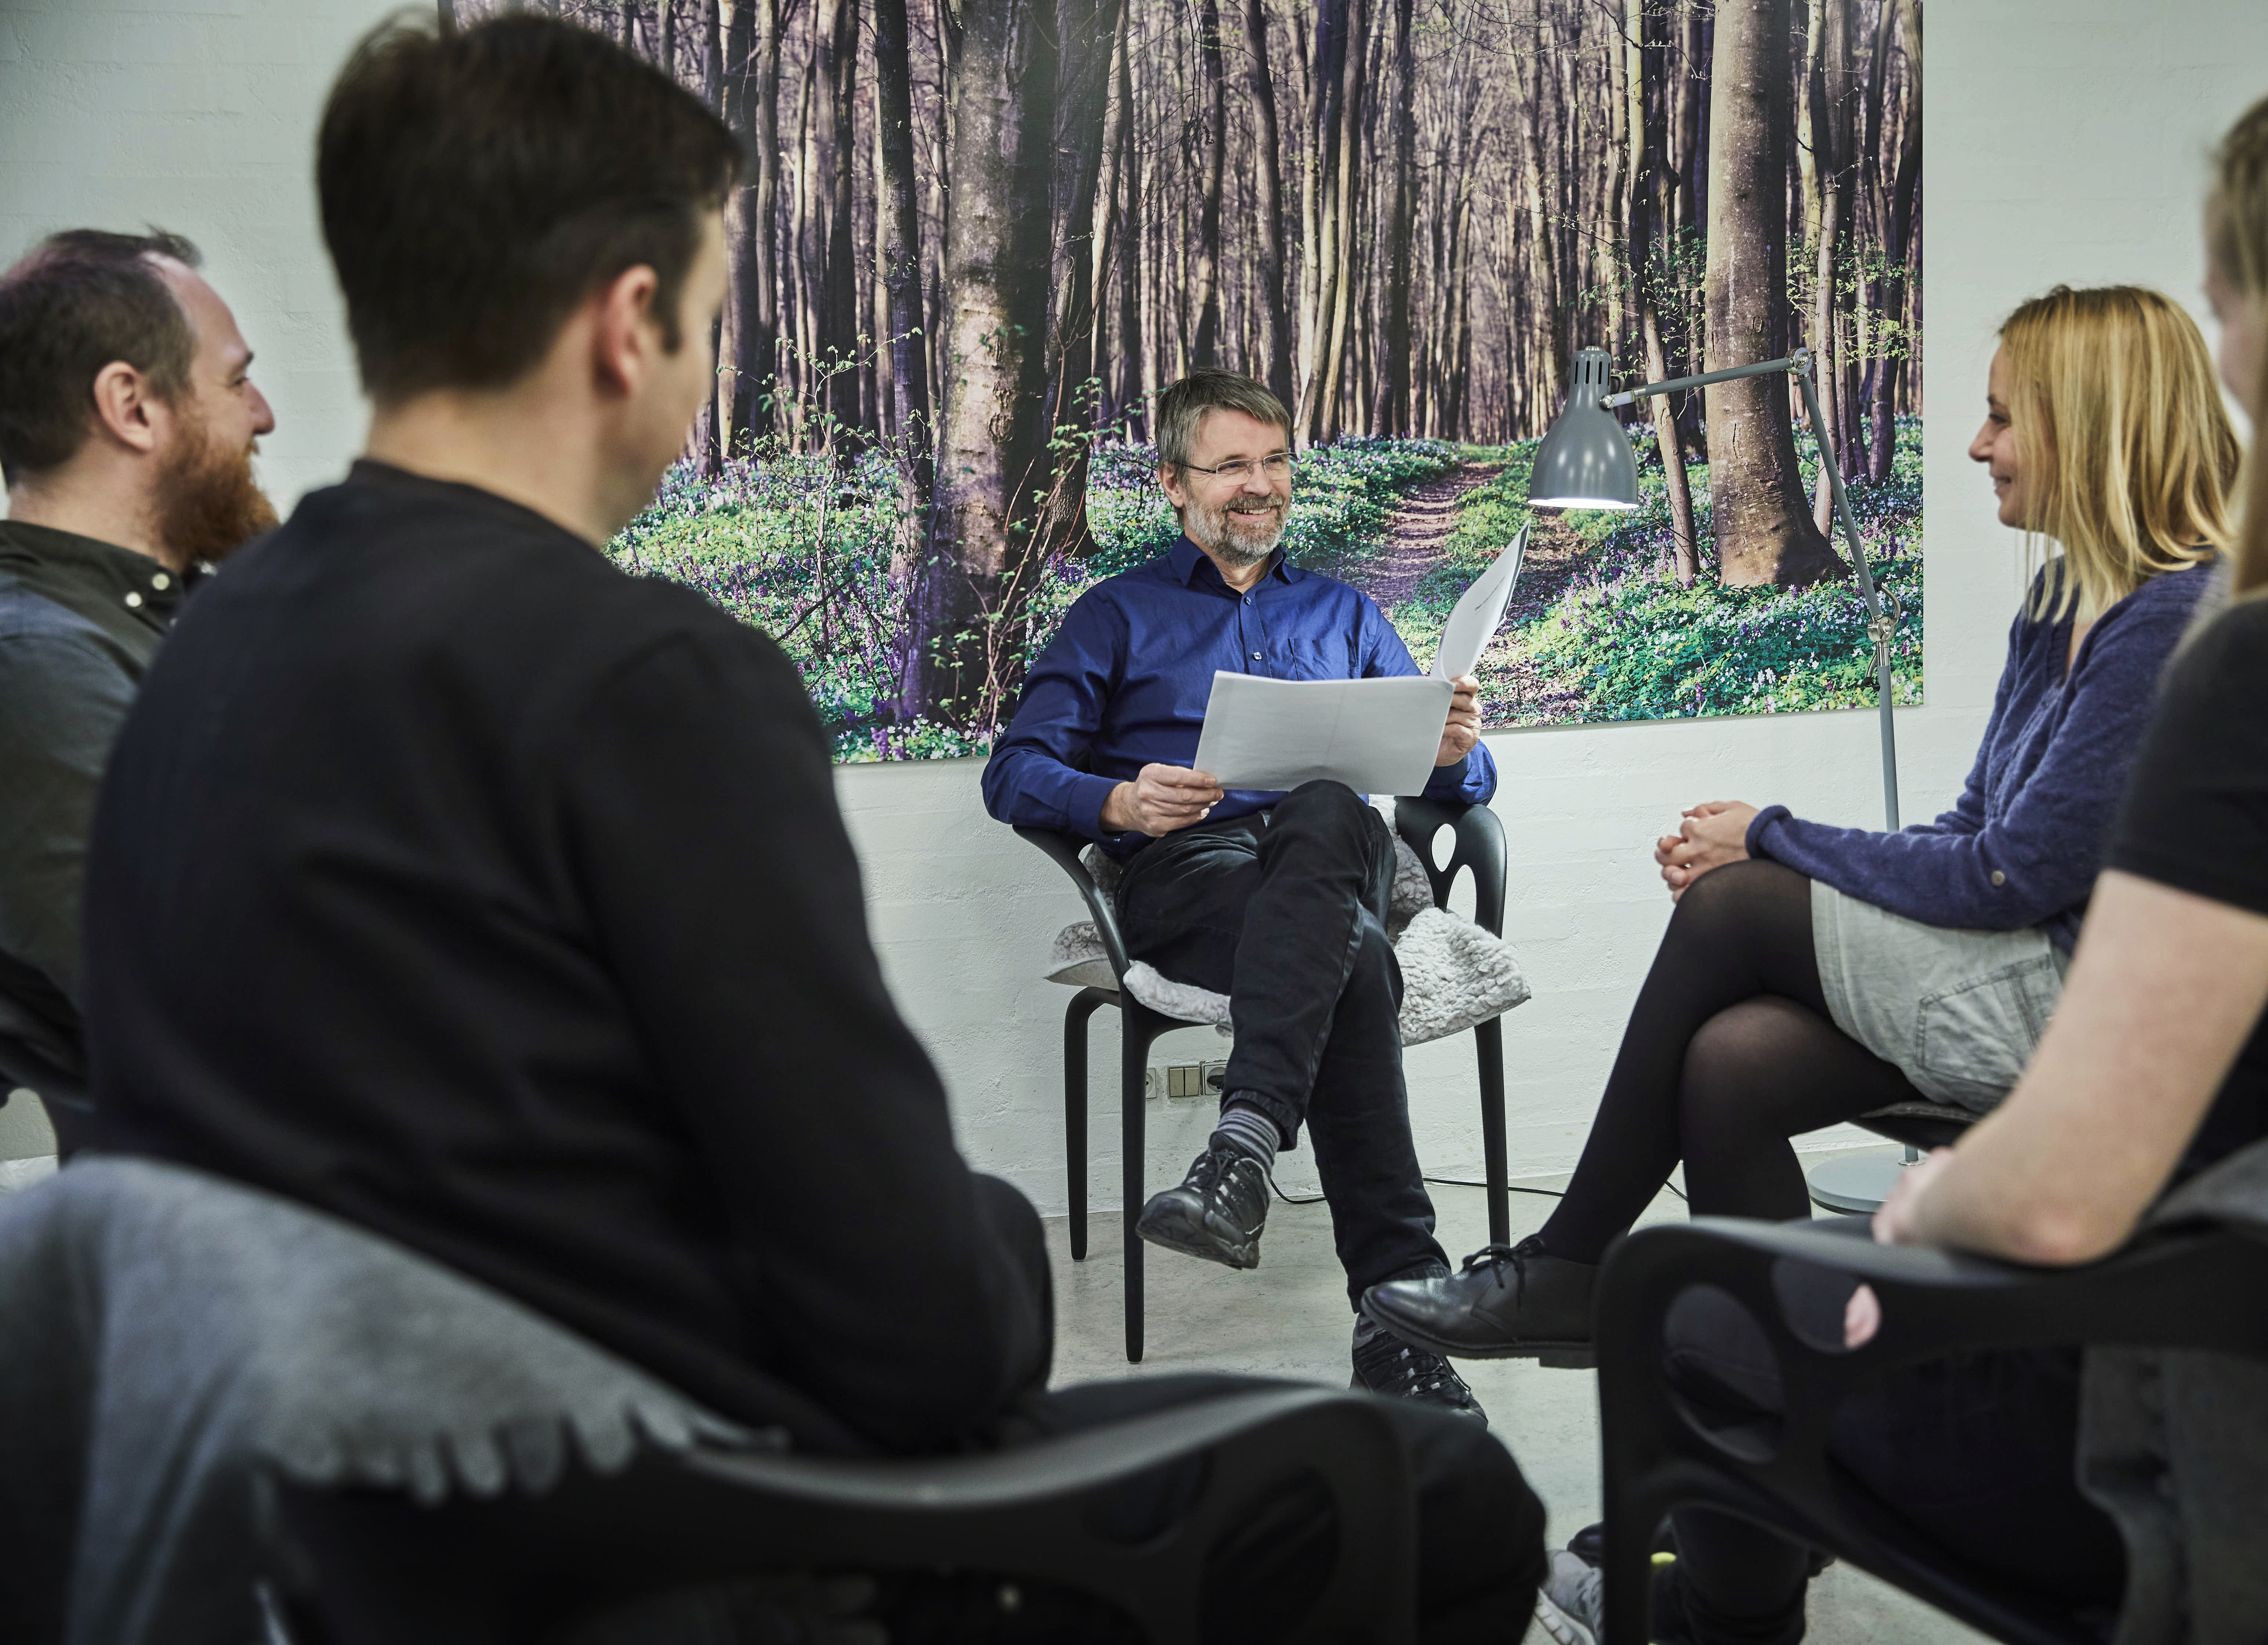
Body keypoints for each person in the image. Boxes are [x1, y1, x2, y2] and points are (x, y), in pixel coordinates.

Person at [80, 18, 1542, 1640]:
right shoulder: (654, 684)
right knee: (1451, 1502)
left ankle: (1278, 1180)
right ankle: (1370, 1289)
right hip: (671, 1525)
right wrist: (995, 1231)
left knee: (1338, 903)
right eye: (712, 315)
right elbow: (928, 1333)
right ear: (631, 324)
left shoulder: (191, 648)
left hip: (352, 1543)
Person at [1569, 31, 2268, 1645]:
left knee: (1693, 1321)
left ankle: (1617, 1370)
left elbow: (2054, 1188)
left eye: (2236, 293)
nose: (2226, 345)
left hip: (2184, 1446)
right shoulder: (2237, 632)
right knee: (1739, 1061)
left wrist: (1919, 1219)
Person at [1364, 285, 2239, 1366]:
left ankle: (1573, 1263)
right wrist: (1772, 840)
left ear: (2095, 425)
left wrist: (1768, 837)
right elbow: (1971, 828)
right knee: (1729, 1068)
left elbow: (2013, 879)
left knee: (1735, 904)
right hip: (2006, 974)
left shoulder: (2171, 620)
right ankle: (1763, 1493)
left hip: (2078, 1018)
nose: (1976, 443)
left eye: (2006, 416)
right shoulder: (2065, 597)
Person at [982, 368, 1495, 1420]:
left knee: (1324, 807)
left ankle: (1242, 1149)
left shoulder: (1347, 613)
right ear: (1176, 483)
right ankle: (1399, 1328)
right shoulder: (1118, 616)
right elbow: (1015, 772)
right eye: (1230, 468)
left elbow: (1460, 784)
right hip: (1195, 878)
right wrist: (1119, 801)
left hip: (1335, 849)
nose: (1259, 487)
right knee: (1352, 957)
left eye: (1274, 464)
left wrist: (1451, 754)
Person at [0, 229, 277, 1155]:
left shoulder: (172, 625)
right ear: (131, 406)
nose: (263, 415)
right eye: (236, 381)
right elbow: (227, 1019)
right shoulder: (36, 669)